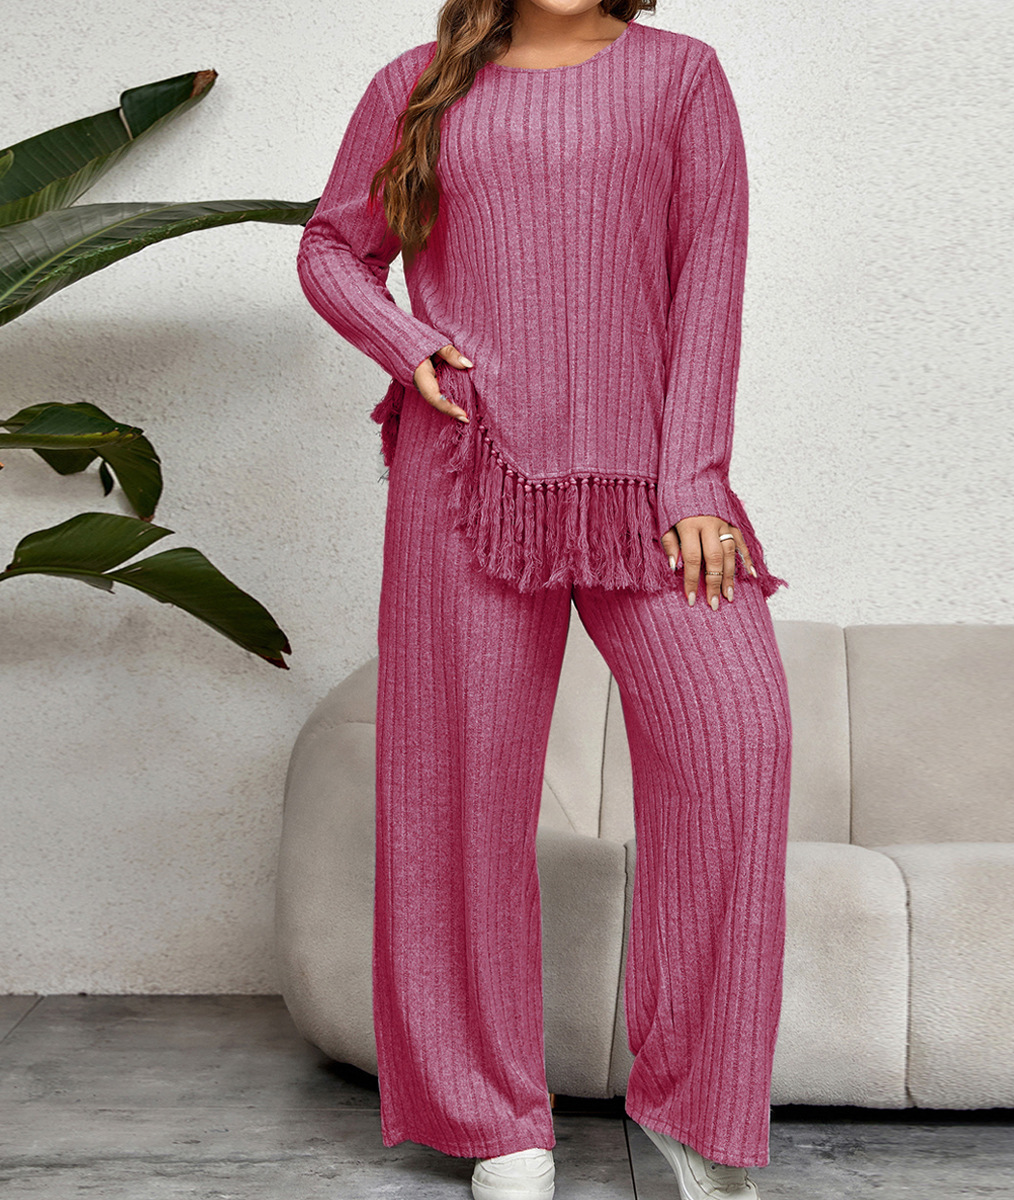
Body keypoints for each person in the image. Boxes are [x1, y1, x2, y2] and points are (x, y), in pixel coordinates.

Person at [296, 2, 792, 1198]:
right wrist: (403, 341)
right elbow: (330, 247)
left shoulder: (682, 77)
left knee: (739, 738)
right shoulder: (417, 81)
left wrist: (694, 482)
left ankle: (697, 1109)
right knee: (460, 789)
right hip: (468, 476)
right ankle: (493, 1116)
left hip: (649, 492)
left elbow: (709, 280)